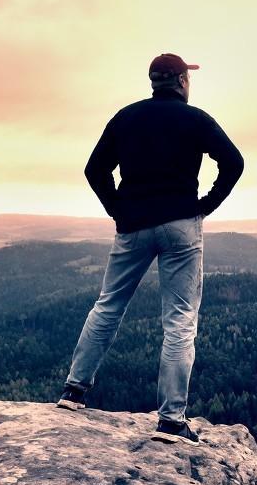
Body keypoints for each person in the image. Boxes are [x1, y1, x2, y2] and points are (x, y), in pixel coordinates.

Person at [57, 53, 244, 446]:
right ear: (181, 81)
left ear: (153, 82)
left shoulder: (126, 117)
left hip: (133, 226)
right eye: (187, 78)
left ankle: (74, 392)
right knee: (179, 321)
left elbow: (95, 170)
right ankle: (172, 420)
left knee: (108, 305)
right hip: (180, 226)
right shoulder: (196, 120)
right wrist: (204, 206)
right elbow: (234, 162)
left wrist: (118, 209)